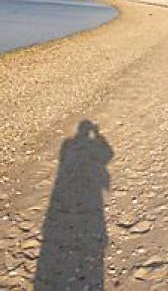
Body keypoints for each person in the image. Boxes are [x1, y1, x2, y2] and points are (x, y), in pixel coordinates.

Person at [35, 120, 113, 291]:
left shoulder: (68, 144)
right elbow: (108, 154)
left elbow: (107, 155)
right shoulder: (70, 145)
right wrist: (99, 136)